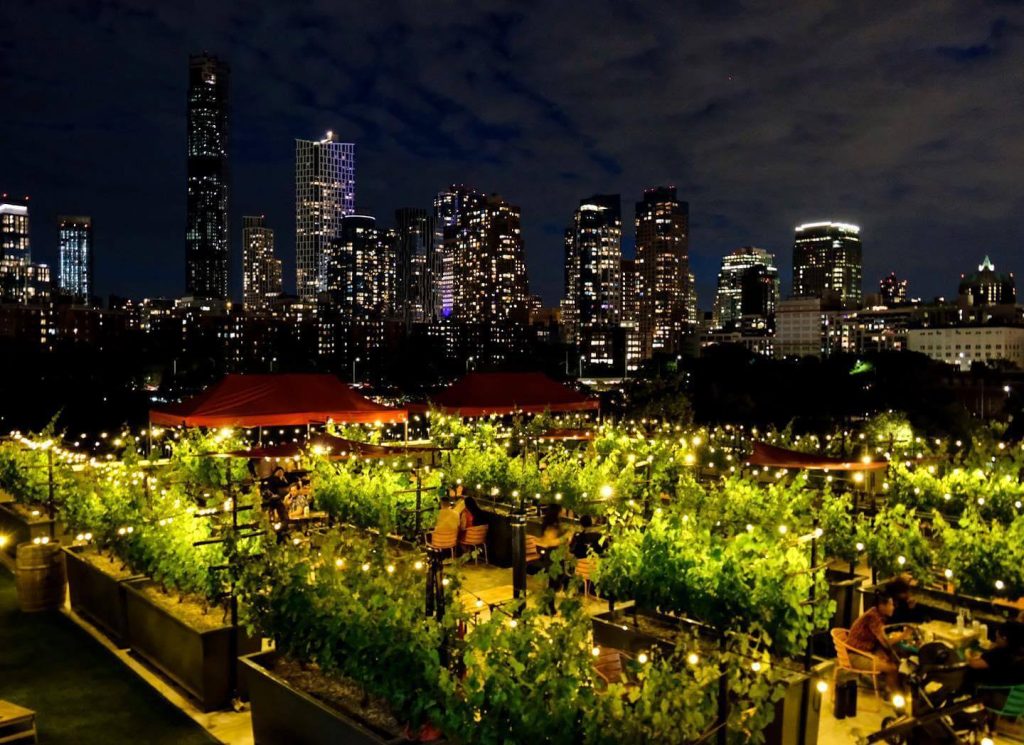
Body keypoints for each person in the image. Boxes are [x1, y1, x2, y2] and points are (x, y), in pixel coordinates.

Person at [847, 593, 910, 693]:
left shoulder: (876, 613)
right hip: (854, 655)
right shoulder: (873, 617)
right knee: (892, 668)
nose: (893, 607)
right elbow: (886, 643)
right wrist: (904, 635)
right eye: (891, 604)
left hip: (863, 651)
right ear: (882, 606)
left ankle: (891, 689)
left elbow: (880, 638)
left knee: (893, 659)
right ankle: (893, 695)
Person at [967, 621, 1024, 689]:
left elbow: (974, 664)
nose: (996, 641)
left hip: (989, 688)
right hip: (1011, 690)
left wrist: (967, 654)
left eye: (997, 637)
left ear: (1004, 638)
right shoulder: (1018, 651)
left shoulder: (1001, 654)